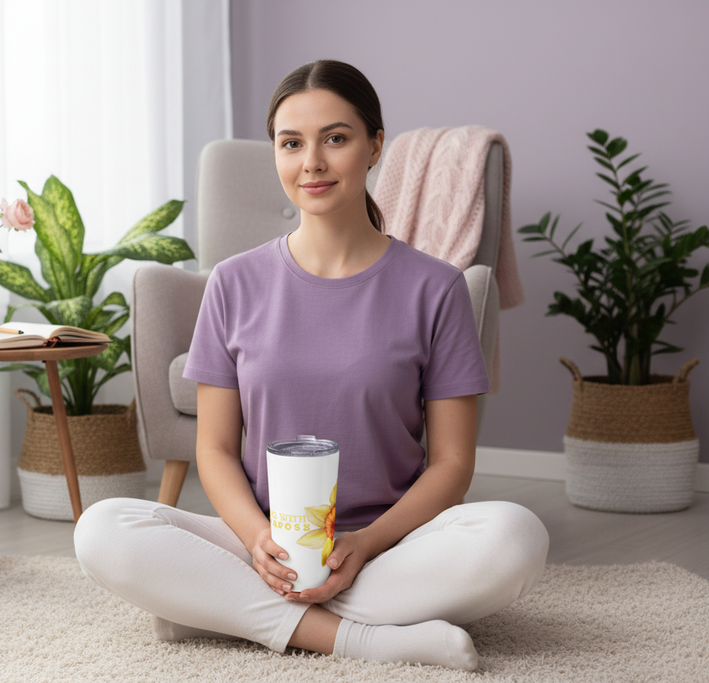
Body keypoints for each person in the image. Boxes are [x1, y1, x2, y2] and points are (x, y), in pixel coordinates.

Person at [74, 59, 549, 671]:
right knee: (102, 528)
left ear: (374, 146)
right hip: (265, 543)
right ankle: (360, 638)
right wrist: (256, 539)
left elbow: (453, 463)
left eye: (336, 139)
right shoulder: (233, 283)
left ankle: (223, 611)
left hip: (391, 544)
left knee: (516, 536)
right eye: (291, 143)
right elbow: (215, 449)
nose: (312, 163)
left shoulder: (436, 288)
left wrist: (364, 543)